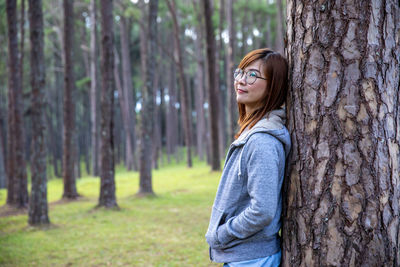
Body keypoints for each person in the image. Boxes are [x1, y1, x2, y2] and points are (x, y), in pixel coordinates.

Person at [205, 48, 291, 267]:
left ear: (273, 86)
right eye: (241, 72)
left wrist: (221, 233)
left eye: (252, 75)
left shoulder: (262, 142)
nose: (241, 80)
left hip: (252, 259)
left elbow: (262, 210)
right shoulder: (252, 134)